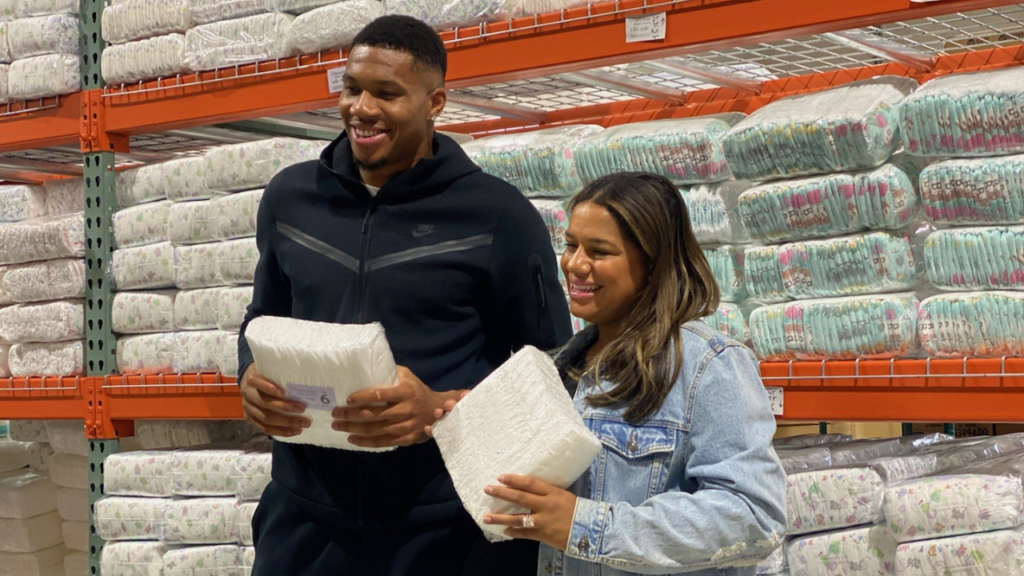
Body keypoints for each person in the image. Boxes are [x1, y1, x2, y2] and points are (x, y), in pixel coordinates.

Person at [235, 15, 572, 576]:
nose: (362, 108)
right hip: (305, 520)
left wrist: (438, 407)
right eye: (351, 88)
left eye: (387, 93)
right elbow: (263, 313)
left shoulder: (496, 215)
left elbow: (555, 368)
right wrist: (247, 375)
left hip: (446, 527)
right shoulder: (291, 198)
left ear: (435, 101)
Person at [431, 172, 787, 575]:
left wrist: (584, 524)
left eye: (599, 251)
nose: (575, 264)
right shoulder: (555, 370)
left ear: (652, 265)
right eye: (570, 245)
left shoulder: (708, 365)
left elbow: (754, 516)